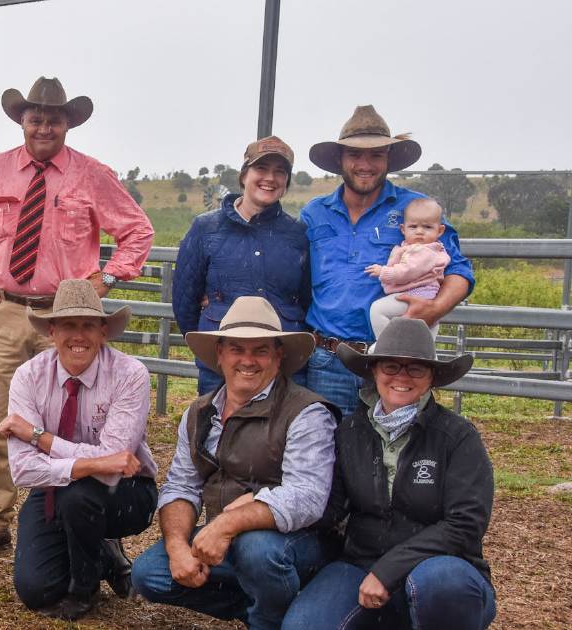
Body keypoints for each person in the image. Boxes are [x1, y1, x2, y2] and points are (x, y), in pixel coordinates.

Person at [0, 76, 154, 556]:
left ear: (68, 125)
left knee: (82, 421)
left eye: (53, 119)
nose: (43, 127)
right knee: (4, 418)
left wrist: (110, 279)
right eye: (35, 117)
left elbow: (137, 231)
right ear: (21, 121)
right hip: (8, 309)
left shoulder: (93, 175)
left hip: (72, 318)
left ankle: (96, 526)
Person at [131, 296, 340, 630]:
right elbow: (182, 485)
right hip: (231, 541)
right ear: (220, 353)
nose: (248, 360)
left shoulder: (307, 412)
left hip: (299, 543)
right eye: (237, 349)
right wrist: (176, 547)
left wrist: (226, 523)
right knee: (150, 574)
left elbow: (307, 498)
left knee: (257, 551)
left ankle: (270, 619)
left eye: (260, 350)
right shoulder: (198, 412)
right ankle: (264, 608)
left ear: (278, 355)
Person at [283, 317, 495, 630]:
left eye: (415, 368)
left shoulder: (457, 436)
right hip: (361, 564)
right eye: (390, 367)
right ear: (374, 371)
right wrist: (267, 506)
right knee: (302, 626)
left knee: (443, 585)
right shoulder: (350, 431)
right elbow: (329, 510)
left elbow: (465, 524)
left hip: (439, 565)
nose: (401, 377)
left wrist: (388, 571)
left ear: (432, 376)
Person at [0, 279, 159, 621]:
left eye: (88, 325)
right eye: (69, 325)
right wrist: (89, 462)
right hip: (54, 488)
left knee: (79, 497)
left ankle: (85, 590)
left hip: (127, 492)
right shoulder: (28, 376)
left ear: (103, 331)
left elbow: (115, 464)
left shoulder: (131, 375)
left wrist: (41, 438)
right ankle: (103, 552)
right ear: (52, 331)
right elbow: (23, 471)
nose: (78, 336)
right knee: (35, 589)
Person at [302, 105, 474, 415]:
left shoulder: (417, 210)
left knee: (392, 454)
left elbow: (459, 270)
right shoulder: (314, 213)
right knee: (325, 452)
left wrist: (434, 309)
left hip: (394, 362)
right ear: (340, 159)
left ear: (389, 160)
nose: (365, 164)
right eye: (354, 155)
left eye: (376, 155)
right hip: (327, 358)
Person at [173, 135, 311, 395]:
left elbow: (307, 297)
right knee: (219, 430)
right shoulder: (206, 228)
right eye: (261, 168)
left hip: (282, 362)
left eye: (280, 172)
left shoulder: (298, 234)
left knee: (282, 432)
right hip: (222, 365)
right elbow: (184, 301)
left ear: (287, 182)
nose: (270, 178)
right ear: (244, 174)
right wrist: (210, 340)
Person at [366, 198, 451, 338]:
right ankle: (428, 355)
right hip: (427, 297)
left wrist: (383, 271)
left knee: (377, 309)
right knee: (426, 340)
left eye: (427, 227)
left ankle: (385, 346)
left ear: (440, 230)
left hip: (415, 295)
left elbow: (407, 272)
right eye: (413, 227)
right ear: (403, 229)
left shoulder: (424, 252)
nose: (419, 232)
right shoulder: (427, 250)